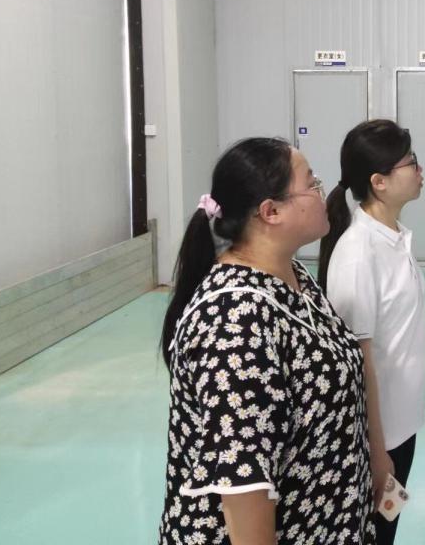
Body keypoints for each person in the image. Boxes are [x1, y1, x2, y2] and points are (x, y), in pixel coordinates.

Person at [158, 137, 374, 545]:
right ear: (270, 211)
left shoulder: (292, 276)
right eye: (311, 184)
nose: (322, 193)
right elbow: (244, 489)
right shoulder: (233, 322)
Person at [317, 119, 425, 545]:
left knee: (385, 530)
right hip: (376, 438)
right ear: (379, 182)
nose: (420, 169)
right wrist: (377, 454)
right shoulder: (359, 254)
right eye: (411, 162)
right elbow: (356, 366)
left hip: (401, 425)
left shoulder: (393, 238)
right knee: (373, 536)